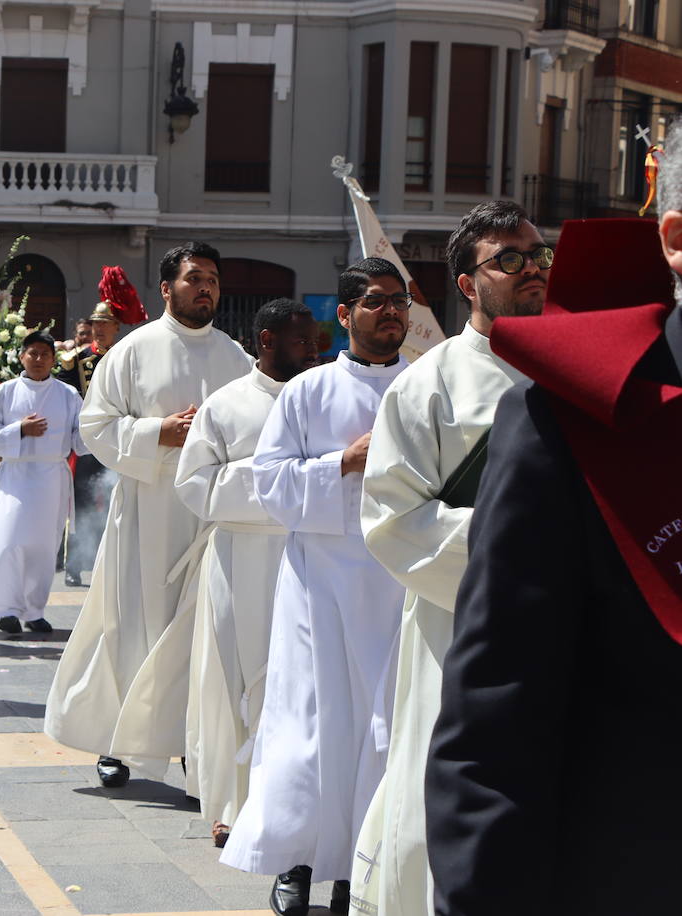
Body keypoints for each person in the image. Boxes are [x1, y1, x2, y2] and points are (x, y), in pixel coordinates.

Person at [422, 212, 682, 909]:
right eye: (509, 261)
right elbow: (499, 718)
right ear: (678, 240)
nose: (530, 270)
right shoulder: (565, 416)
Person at [348, 202, 546, 916]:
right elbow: (395, 520)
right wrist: (521, 546)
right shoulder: (427, 386)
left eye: (536, 254)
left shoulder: (574, 372)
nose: (532, 270)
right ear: (469, 283)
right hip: (463, 628)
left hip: (567, 629)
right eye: (510, 259)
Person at [221, 257, 411, 916]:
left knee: (381, 731)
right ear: (345, 312)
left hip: (398, 585)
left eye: (399, 301)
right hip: (319, 585)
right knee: (309, 728)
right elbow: (269, 484)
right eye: (378, 301)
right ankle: (297, 860)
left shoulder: (423, 389)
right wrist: (342, 464)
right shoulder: (307, 391)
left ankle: (360, 869)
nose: (391, 312)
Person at [43, 243, 252, 788]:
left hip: (209, 514)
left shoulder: (235, 356)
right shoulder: (134, 350)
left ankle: (190, 745)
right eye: (193, 278)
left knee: (202, 633)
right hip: (147, 511)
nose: (205, 287)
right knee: (134, 625)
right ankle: (120, 741)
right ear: (167, 288)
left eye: (212, 278)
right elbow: (95, 425)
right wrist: (158, 431)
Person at [173, 299, 319, 847]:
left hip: (307, 553)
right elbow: (194, 485)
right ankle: (234, 804)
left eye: (315, 340)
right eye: (301, 341)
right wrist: (278, 480)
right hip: (241, 553)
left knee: (299, 681)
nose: (313, 351)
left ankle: (293, 801)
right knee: (238, 679)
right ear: (266, 341)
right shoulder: (227, 404)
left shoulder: (321, 398)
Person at [0, 330, 86, 635]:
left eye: (45, 354)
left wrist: (102, 430)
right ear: (22, 357)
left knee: (43, 548)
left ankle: (34, 610)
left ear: (54, 359)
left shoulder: (68, 396)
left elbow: (82, 437)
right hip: (15, 477)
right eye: (33, 353)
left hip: (52, 479)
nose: (39, 359)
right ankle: (6, 609)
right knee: (8, 543)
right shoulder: (4, 392)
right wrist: (18, 431)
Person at [57, 297, 124, 586]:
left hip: (119, 440)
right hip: (86, 443)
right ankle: (75, 563)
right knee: (81, 502)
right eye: (95, 324)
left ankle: (112, 560)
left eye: (104, 324)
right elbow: (63, 397)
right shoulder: (77, 360)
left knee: (115, 500)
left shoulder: (124, 357)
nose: (98, 329)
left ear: (116, 328)